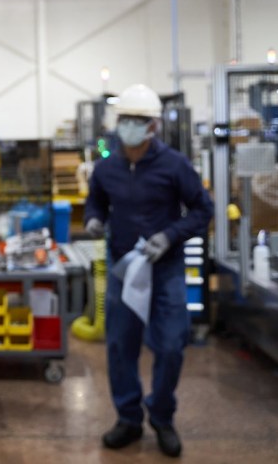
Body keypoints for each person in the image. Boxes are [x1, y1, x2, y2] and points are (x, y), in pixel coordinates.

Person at [84, 84, 214, 458]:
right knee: (120, 345)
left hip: (166, 268)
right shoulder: (106, 167)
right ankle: (128, 418)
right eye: (126, 119)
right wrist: (94, 220)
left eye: (139, 120)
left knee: (172, 344)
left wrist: (170, 235)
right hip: (124, 269)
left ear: (153, 125)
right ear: (118, 121)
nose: (131, 126)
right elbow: (95, 203)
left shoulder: (175, 165)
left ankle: (161, 415)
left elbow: (203, 209)